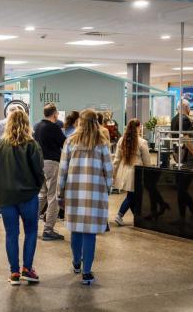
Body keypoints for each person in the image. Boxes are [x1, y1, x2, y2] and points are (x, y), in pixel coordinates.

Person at [57, 109, 113, 285]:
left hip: (74, 192)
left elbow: (63, 169)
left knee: (76, 230)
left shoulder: (70, 141)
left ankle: (76, 263)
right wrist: (108, 188)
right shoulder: (102, 143)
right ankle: (87, 273)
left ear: (80, 122)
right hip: (95, 192)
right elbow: (108, 170)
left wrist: (60, 192)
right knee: (90, 233)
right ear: (96, 122)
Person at [0, 110, 44, 285]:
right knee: (31, 231)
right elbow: (38, 171)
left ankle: (14, 273)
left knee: (11, 234)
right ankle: (27, 269)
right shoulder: (32, 144)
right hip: (28, 195)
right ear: (27, 124)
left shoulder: (1, 145)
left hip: (6, 197)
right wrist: (37, 187)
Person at [33, 103, 66, 241]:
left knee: (42, 195)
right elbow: (65, 144)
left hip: (40, 163)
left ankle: (31, 223)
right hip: (52, 163)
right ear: (54, 114)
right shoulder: (54, 127)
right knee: (53, 197)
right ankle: (48, 230)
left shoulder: (37, 126)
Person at [113, 119, 152, 226]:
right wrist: (149, 174)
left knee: (133, 195)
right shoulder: (142, 142)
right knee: (132, 196)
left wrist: (113, 173)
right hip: (136, 173)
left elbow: (116, 159)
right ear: (138, 127)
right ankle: (119, 215)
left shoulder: (121, 140)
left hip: (123, 172)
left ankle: (137, 217)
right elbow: (147, 162)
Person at [0, 104, 23, 218]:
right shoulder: (21, 125)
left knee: (0, 183)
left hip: (1, 159)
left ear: (7, 112)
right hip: (15, 160)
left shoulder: (0, 124)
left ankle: (0, 208)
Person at [170, 100, 193, 169]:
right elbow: (186, 138)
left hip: (177, 152)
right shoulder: (184, 119)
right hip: (186, 154)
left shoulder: (174, 119)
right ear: (185, 107)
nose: (190, 110)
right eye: (189, 107)